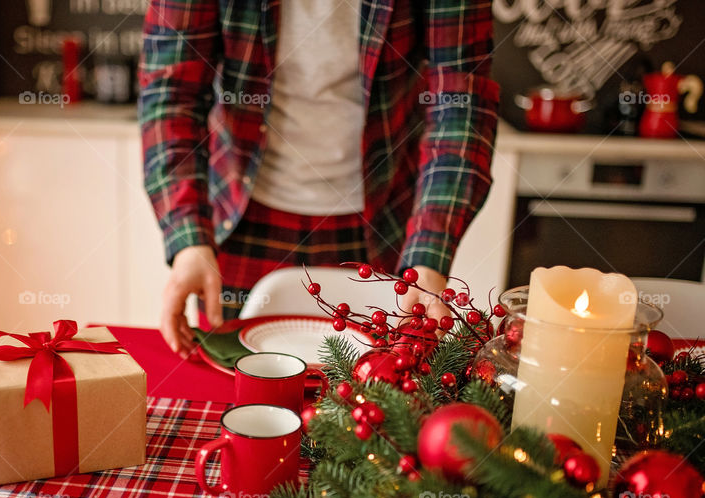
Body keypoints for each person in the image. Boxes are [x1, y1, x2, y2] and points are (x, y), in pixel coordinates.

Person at [139, 0, 499, 356]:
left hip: (382, 222)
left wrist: (429, 252)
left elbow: (460, 101)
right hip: (242, 220)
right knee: (237, 387)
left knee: (376, 391)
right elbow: (172, 94)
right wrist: (188, 237)